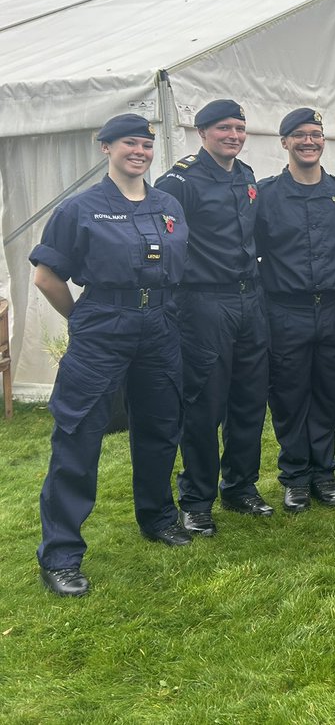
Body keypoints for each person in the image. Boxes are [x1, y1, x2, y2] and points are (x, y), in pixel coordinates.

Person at [29, 113, 191, 596]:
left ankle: (158, 517)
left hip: (160, 326)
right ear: (106, 148)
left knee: (161, 426)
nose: (139, 151)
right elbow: (45, 276)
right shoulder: (81, 209)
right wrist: (80, 318)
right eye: (128, 143)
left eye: (145, 144)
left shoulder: (168, 204)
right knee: (79, 436)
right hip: (103, 326)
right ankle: (59, 556)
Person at [155, 99, 272, 535]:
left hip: (250, 300)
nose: (234, 136)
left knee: (249, 399)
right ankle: (197, 499)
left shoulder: (245, 176)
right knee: (204, 403)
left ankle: (240, 486)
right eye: (224, 128)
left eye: (240, 128)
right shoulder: (180, 181)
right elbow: (165, 241)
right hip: (204, 304)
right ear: (202, 132)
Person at [256, 108, 335, 512]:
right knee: (288, 394)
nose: (309, 141)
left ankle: (323, 472)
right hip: (285, 310)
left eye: (315, 134)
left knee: (329, 392)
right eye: (299, 135)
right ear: (284, 142)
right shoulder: (264, 196)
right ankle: (295, 475)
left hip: (332, 307)